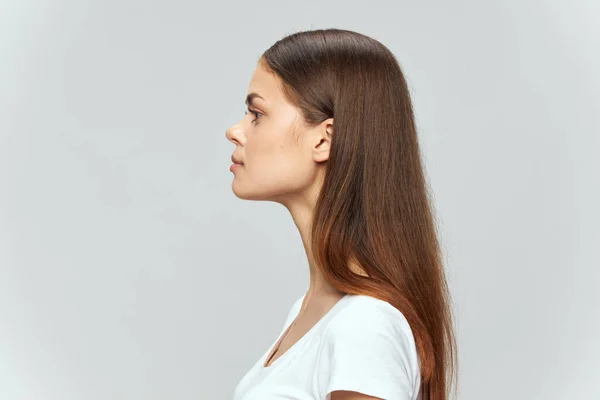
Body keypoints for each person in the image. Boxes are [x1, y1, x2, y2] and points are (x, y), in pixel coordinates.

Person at [226, 28, 457, 400]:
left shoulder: (363, 325)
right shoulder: (307, 312)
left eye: (256, 113)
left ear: (324, 139)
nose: (234, 131)